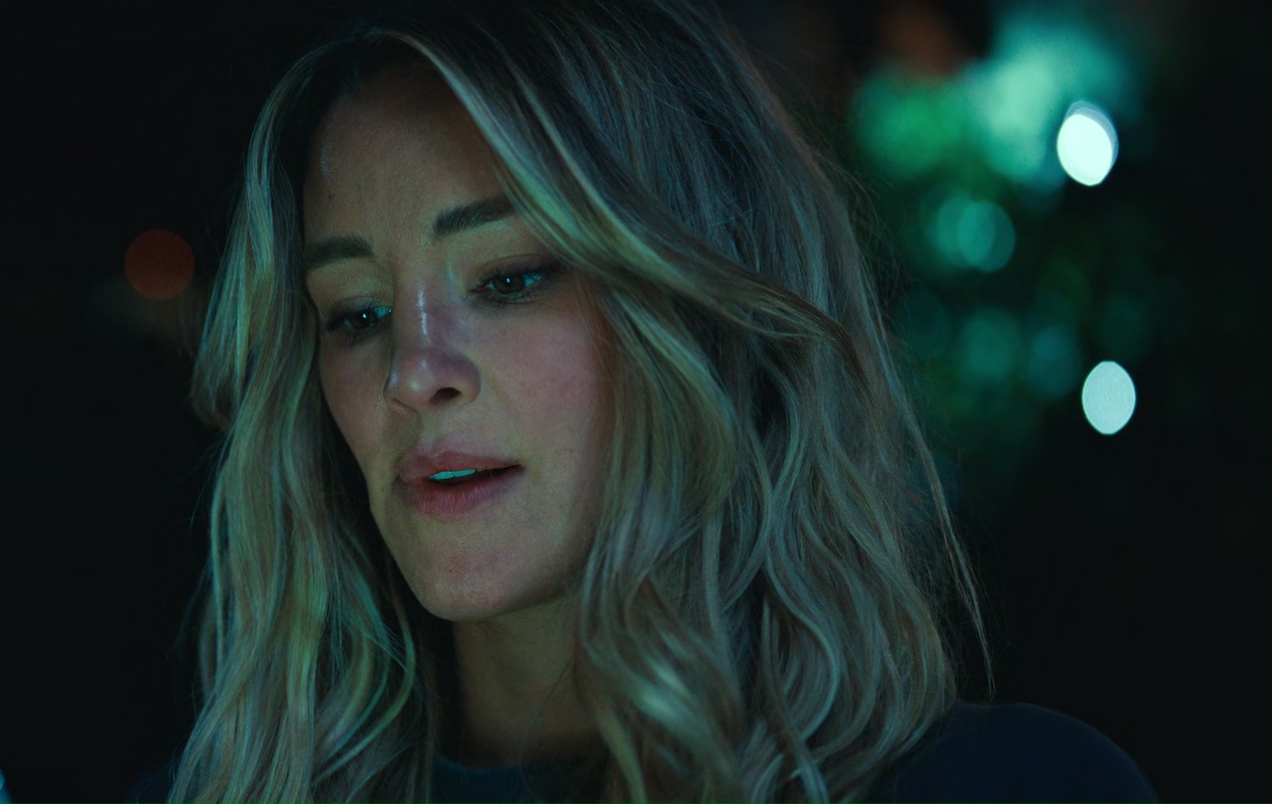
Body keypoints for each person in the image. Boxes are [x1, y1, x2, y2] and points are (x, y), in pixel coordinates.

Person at [137, 0, 1158, 801]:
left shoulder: (1013, 787)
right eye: (357, 312)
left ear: (701, 308)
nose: (412, 371)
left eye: (510, 277)